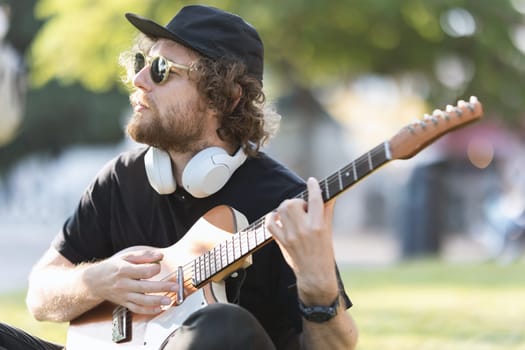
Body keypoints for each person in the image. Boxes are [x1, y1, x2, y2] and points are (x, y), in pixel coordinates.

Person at [0, 5, 357, 350]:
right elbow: (40, 297)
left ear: (226, 97)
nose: (139, 80)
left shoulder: (284, 202)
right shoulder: (120, 179)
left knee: (223, 325)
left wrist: (319, 286)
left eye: (161, 69)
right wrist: (97, 280)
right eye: (142, 63)